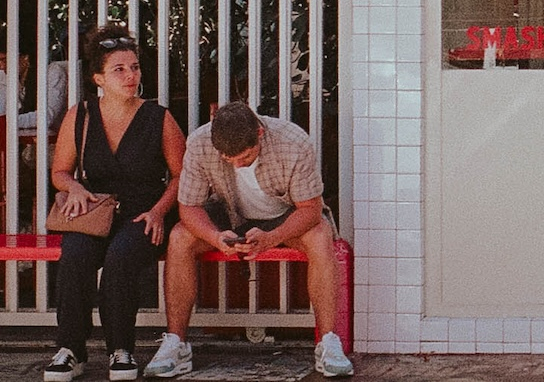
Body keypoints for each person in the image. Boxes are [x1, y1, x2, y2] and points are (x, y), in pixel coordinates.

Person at [145, 102, 350, 379]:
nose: (238, 163)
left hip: (284, 216)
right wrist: (215, 237)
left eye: (246, 156)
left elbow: (310, 210)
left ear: (260, 133)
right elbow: (189, 208)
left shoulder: (294, 141)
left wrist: (273, 237)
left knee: (320, 234)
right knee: (181, 236)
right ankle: (176, 344)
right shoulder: (199, 142)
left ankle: (328, 342)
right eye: (229, 159)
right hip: (228, 214)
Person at [44, 24, 185, 382]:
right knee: (74, 254)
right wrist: (73, 188)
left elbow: (183, 177)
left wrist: (158, 211)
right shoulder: (80, 115)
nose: (130, 75)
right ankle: (70, 349)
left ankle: (120, 350)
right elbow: (60, 171)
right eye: (119, 69)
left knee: (121, 258)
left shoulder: (159, 118)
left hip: (144, 214)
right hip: (94, 211)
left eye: (134, 67)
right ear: (98, 78)